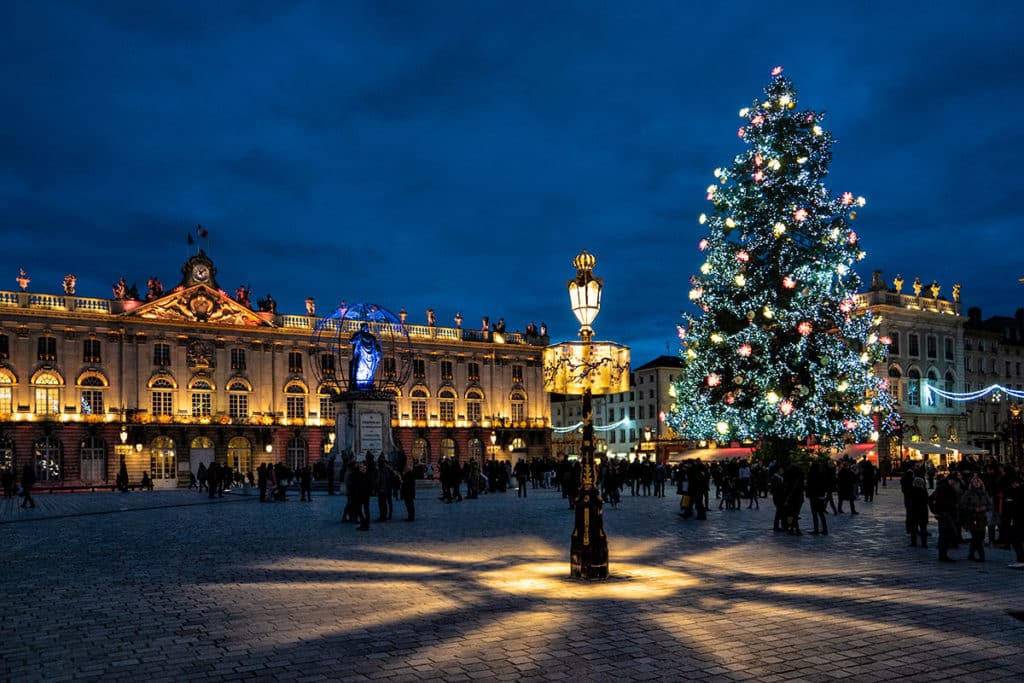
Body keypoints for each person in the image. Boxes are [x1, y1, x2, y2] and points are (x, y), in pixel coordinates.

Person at [959, 474, 991, 562]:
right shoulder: (968, 493)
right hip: (972, 517)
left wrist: (985, 507)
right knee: (977, 536)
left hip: (982, 518)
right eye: (974, 482)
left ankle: (971, 554)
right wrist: (974, 509)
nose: (977, 483)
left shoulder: (984, 493)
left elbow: (990, 504)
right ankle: (981, 555)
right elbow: (962, 505)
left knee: (980, 536)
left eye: (978, 481)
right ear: (972, 483)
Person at [348, 323, 382, 391]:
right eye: (365, 327)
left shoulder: (372, 337)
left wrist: (378, 353)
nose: (366, 328)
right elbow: (351, 341)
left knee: (369, 371)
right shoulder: (359, 335)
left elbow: (376, 346)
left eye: (367, 327)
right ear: (362, 328)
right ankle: (359, 383)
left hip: (371, 356)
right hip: (362, 355)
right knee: (359, 368)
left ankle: (367, 383)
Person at [908, 477, 930, 548]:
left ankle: (913, 542)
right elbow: (927, 501)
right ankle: (924, 543)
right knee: (923, 528)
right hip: (923, 512)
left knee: (914, 528)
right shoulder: (924, 491)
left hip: (914, 512)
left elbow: (909, 502)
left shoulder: (911, 491)